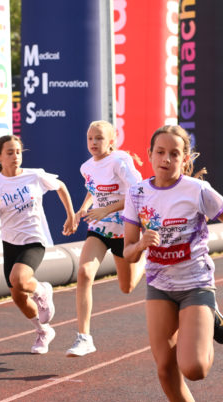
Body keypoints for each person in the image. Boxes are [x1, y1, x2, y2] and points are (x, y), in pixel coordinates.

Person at [123, 125, 223, 402]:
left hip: (196, 283)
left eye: (174, 154)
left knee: (193, 368)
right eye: (160, 152)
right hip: (159, 286)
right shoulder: (136, 193)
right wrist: (140, 244)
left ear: (185, 158)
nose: (166, 159)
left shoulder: (198, 191)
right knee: (165, 369)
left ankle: (210, 317)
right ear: (149, 155)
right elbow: (128, 252)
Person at [0, 135, 76, 354]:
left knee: (19, 279)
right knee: (18, 296)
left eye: (18, 152)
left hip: (34, 239)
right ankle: (43, 331)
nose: (15, 156)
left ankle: (42, 290)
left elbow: (61, 186)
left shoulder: (34, 175)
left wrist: (71, 216)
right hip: (10, 243)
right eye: (10, 153)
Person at [65, 120, 146, 357]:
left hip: (125, 229)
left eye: (99, 138)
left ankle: (145, 256)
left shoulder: (120, 161)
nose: (93, 143)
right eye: (90, 138)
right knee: (84, 273)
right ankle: (84, 337)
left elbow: (137, 192)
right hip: (99, 228)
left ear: (112, 141)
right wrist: (82, 210)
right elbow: (94, 189)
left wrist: (108, 209)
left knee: (127, 287)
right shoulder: (86, 167)